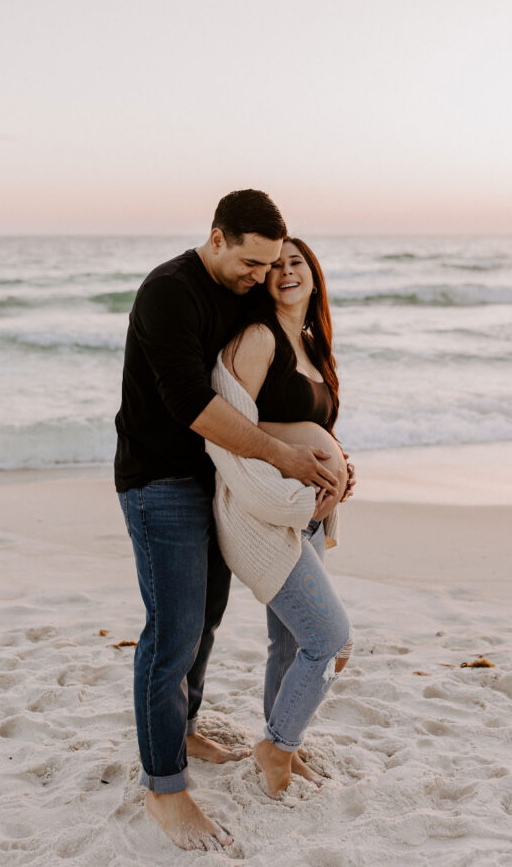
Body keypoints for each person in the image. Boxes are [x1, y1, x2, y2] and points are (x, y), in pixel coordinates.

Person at [115, 192, 341, 852]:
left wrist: (323, 454)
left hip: (218, 481)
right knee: (173, 630)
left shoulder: (242, 293)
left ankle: (181, 728)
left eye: (268, 265)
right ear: (216, 238)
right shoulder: (169, 291)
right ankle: (163, 787)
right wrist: (286, 458)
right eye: (249, 262)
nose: (258, 277)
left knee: (206, 619)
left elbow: (267, 386)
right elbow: (195, 404)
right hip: (161, 480)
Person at [206, 237, 354, 799]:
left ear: (313, 276)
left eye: (298, 263)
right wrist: (309, 450)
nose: (287, 271)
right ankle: (277, 747)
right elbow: (229, 425)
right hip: (267, 515)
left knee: (291, 642)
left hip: (310, 515)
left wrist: (341, 463)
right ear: (265, 280)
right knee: (331, 638)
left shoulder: (313, 345)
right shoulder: (259, 339)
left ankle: (281, 742)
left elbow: (318, 427)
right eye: (277, 265)